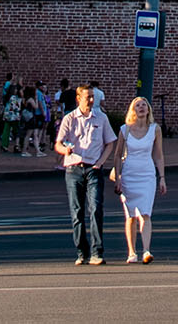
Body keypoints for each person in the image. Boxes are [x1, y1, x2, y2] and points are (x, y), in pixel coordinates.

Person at [56, 83, 117, 265]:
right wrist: (64, 151)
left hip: (93, 169)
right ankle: (81, 251)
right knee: (77, 211)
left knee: (96, 208)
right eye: (87, 97)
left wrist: (101, 162)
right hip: (74, 168)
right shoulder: (69, 118)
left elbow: (110, 143)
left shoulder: (101, 118)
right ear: (78, 99)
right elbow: (58, 143)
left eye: (92, 96)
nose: (91, 100)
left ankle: (97, 252)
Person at [108, 95, 167, 263]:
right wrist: (118, 178)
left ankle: (146, 250)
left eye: (143, 105)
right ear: (132, 110)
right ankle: (132, 252)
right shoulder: (125, 129)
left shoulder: (155, 129)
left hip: (147, 174)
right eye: (137, 106)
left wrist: (161, 177)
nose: (141, 108)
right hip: (129, 174)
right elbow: (118, 155)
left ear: (148, 109)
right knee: (131, 214)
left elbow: (159, 154)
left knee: (146, 213)